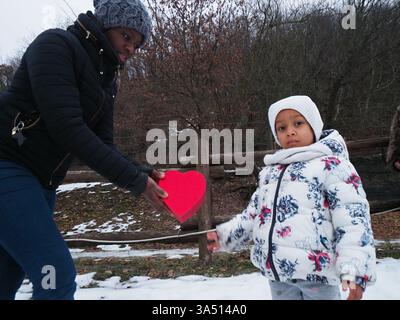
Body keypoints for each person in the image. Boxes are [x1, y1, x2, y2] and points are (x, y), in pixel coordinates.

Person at [0, 0, 171, 300]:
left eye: (138, 43)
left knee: (6, 278)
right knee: (57, 276)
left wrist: (142, 171)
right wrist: (136, 182)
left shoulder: (107, 79)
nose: (131, 48)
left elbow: (103, 143)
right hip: (7, 167)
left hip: (41, 184)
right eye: (127, 36)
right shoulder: (55, 47)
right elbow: (68, 130)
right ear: (105, 25)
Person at [207, 96, 376, 300]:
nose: (290, 131)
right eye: (281, 128)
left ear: (314, 125)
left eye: (298, 123)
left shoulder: (332, 166)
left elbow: (353, 223)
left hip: (317, 277)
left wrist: (353, 272)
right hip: (279, 276)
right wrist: (224, 235)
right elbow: (253, 215)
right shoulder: (271, 172)